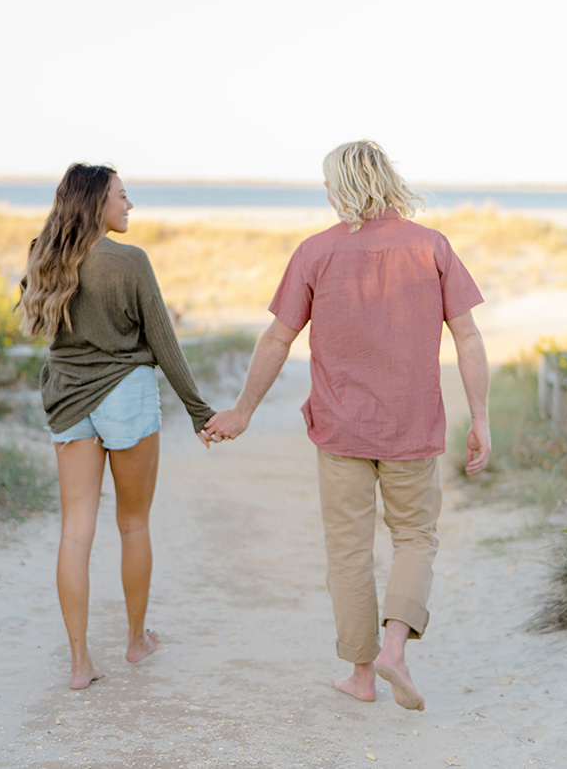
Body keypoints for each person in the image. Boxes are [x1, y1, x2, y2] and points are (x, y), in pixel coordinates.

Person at [204, 140, 490, 711]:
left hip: (340, 430)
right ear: (387, 179)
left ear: (342, 186)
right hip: (411, 428)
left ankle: (362, 676)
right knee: (414, 536)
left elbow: (278, 339)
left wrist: (243, 412)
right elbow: (468, 336)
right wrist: (480, 418)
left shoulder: (315, 253)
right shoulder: (431, 247)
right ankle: (393, 651)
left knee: (349, 550)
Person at [18, 163, 215, 689]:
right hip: (125, 395)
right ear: (97, 204)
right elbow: (165, 343)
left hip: (67, 398)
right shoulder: (129, 261)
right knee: (133, 524)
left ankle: (80, 662)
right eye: (122, 198)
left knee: (75, 532)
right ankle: (135, 641)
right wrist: (199, 410)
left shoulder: (45, 254)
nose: (130, 207)